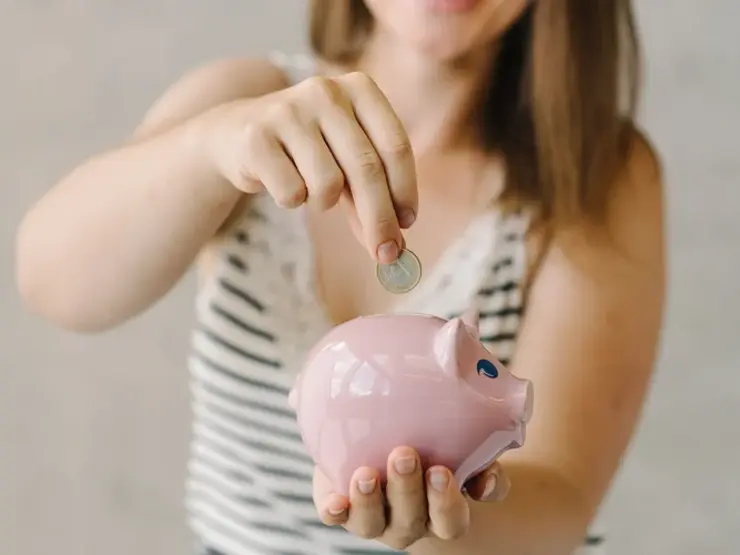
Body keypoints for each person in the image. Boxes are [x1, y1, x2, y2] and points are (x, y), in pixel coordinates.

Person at [15, 0, 666, 553]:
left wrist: (444, 527)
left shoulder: (597, 177)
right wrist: (211, 147)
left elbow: (562, 499)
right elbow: (55, 283)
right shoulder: (246, 103)